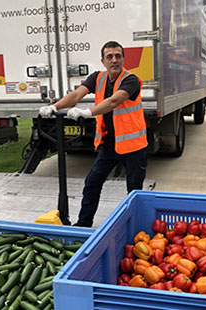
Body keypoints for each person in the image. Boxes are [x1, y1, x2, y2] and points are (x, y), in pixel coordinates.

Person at [39, 41, 148, 227]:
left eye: (118, 56)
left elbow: (114, 101)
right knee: (92, 183)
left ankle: (136, 228)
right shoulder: (97, 78)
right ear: (103, 61)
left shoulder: (131, 80)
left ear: (123, 58)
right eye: (110, 57)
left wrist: (88, 112)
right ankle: (83, 225)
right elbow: (76, 95)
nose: (114, 60)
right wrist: (54, 106)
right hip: (109, 144)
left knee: (134, 191)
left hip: (133, 146)